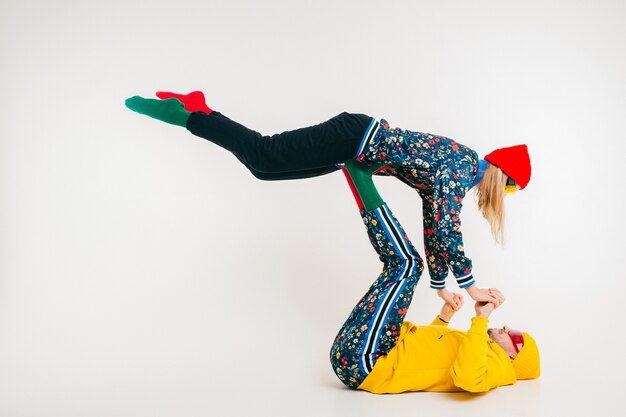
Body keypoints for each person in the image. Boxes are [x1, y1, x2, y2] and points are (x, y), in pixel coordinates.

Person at [125, 91, 532, 308]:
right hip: (353, 137)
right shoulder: (461, 167)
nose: (505, 195)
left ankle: (200, 109)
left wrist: (442, 286)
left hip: (353, 148)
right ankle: (190, 112)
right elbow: (447, 227)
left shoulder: (457, 170)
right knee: (264, 153)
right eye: (511, 188)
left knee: (263, 169)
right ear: (503, 175)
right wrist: (472, 286)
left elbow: (434, 222)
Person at [331, 166, 540, 393]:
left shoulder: (498, 368)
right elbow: (427, 352)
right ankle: (352, 172)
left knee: (408, 264)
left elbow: (468, 378)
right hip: (359, 353)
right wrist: (443, 318)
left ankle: (359, 178)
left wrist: (481, 318)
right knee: (404, 265)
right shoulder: (481, 346)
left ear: (513, 356)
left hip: (366, 363)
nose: (508, 328)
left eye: (516, 336)